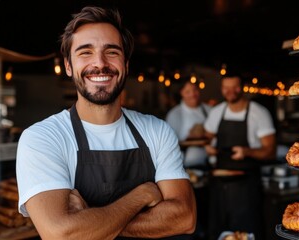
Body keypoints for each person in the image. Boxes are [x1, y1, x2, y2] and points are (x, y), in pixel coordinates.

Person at [16, 6, 196, 240]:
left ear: (126, 65)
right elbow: (61, 234)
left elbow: (185, 217)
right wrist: (141, 195)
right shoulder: (43, 138)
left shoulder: (157, 130)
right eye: (85, 52)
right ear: (68, 66)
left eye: (111, 52)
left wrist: (90, 217)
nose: (100, 63)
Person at [203, 74, 276, 239]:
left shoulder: (258, 113)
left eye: (234, 87)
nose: (230, 92)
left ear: (242, 88)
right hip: (220, 185)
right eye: (226, 88)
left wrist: (247, 152)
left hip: (247, 187)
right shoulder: (217, 112)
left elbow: (270, 151)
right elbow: (207, 137)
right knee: (219, 231)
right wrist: (208, 146)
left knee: (247, 231)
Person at [166, 80, 211, 169]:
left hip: (208, 164)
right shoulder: (174, 114)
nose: (192, 94)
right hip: (184, 166)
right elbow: (169, 144)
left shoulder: (209, 110)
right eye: (187, 92)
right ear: (181, 93)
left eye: (195, 90)